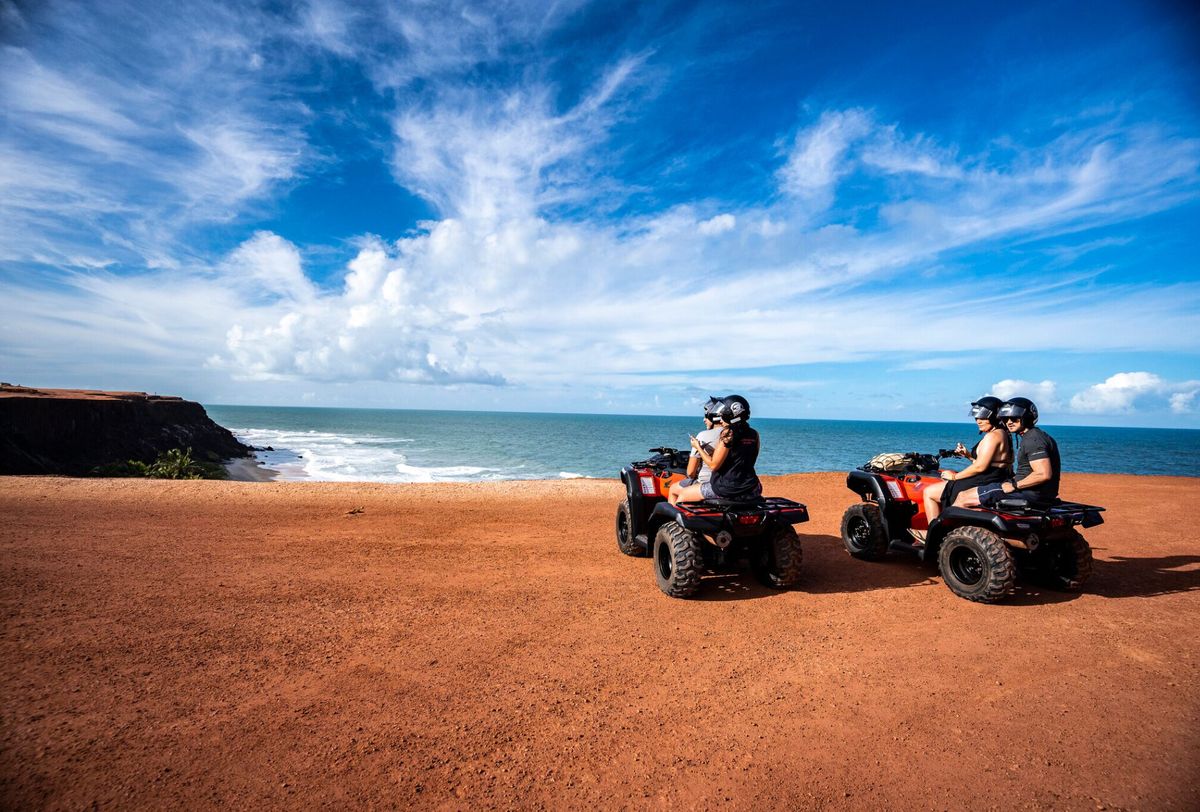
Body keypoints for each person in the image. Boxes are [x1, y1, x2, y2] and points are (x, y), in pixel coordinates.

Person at [913, 396, 1013, 543]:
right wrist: (967, 455)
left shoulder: (993, 436)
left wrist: (954, 477)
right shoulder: (1004, 434)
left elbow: (980, 467)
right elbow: (991, 462)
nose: (978, 420)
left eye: (982, 417)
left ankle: (934, 536)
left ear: (994, 416)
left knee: (929, 492)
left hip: (984, 478)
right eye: (976, 417)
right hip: (996, 477)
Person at [669, 394, 763, 504]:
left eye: (723, 415)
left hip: (727, 489)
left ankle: (676, 522)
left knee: (683, 495)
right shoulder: (754, 434)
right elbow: (750, 460)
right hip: (752, 488)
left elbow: (713, 465)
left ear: (731, 415)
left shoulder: (728, 434)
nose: (721, 419)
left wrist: (698, 447)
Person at [973, 397, 1061, 509]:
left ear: (1027, 418)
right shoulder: (1033, 436)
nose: (1009, 422)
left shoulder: (1033, 439)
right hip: (1036, 492)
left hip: (1030, 494)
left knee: (963, 496)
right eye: (1005, 419)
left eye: (1014, 418)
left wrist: (1014, 485)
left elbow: (1043, 474)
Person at [667, 397, 724, 503]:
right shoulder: (735, 435)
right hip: (733, 485)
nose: (704, 420)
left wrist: (696, 446)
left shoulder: (703, 436)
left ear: (714, 416)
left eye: (706, 416)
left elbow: (691, 472)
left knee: (673, 489)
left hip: (707, 484)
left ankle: (674, 518)